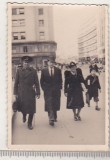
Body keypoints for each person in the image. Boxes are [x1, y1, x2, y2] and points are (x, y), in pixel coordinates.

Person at [14, 56, 40, 130]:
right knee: (23, 107)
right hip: (21, 92)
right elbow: (16, 83)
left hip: (31, 92)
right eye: (25, 62)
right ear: (22, 63)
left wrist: (38, 92)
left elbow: (37, 82)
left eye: (27, 62)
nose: (26, 63)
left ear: (29, 63)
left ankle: (29, 123)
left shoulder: (33, 71)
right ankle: (24, 115)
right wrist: (15, 93)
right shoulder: (19, 71)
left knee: (31, 108)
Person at [40, 57, 62, 126]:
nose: (51, 64)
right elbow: (41, 81)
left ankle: (54, 115)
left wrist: (59, 88)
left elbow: (60, 80)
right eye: (50, 62)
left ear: (54, 63)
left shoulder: (58, 70)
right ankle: (51, 118)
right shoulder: (44, 70)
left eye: (52, 62)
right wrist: (44, 89)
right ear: (48, 63)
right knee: (49, 103)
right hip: (47, 90)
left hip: (56, 90)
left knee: (55, 103)